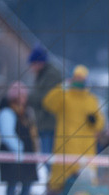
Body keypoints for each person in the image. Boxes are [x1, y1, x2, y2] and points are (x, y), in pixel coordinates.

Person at [42, 65, 105, 195]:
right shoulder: (64, 96)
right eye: (77, 78)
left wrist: (95, 121)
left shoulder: (91, 99)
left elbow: (100, 122)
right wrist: (63, 86)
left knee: (85, 182)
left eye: (82, 79)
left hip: (85, 149)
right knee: (62, 182)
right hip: (66, 147)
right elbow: (48, 103)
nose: (79, 81)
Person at [0, 81, 39, 195]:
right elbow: (7, 134)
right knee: (12, 186)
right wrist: (19, 150)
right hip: (12, 155)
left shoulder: (27, 112)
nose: (24, 98)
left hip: (28, 155)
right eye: (21, 95)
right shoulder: (7, 112)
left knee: (26, 186)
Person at [26, 46, 62, 177]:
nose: (31, 68)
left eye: (32, 64)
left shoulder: (51, 75)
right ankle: (51, 187)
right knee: (47, 159)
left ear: (39, 62)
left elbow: (46, 99)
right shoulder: (43, 74)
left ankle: (54, 188)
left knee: (50, 159)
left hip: (50, 124)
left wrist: (26, 97)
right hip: (44, 123)